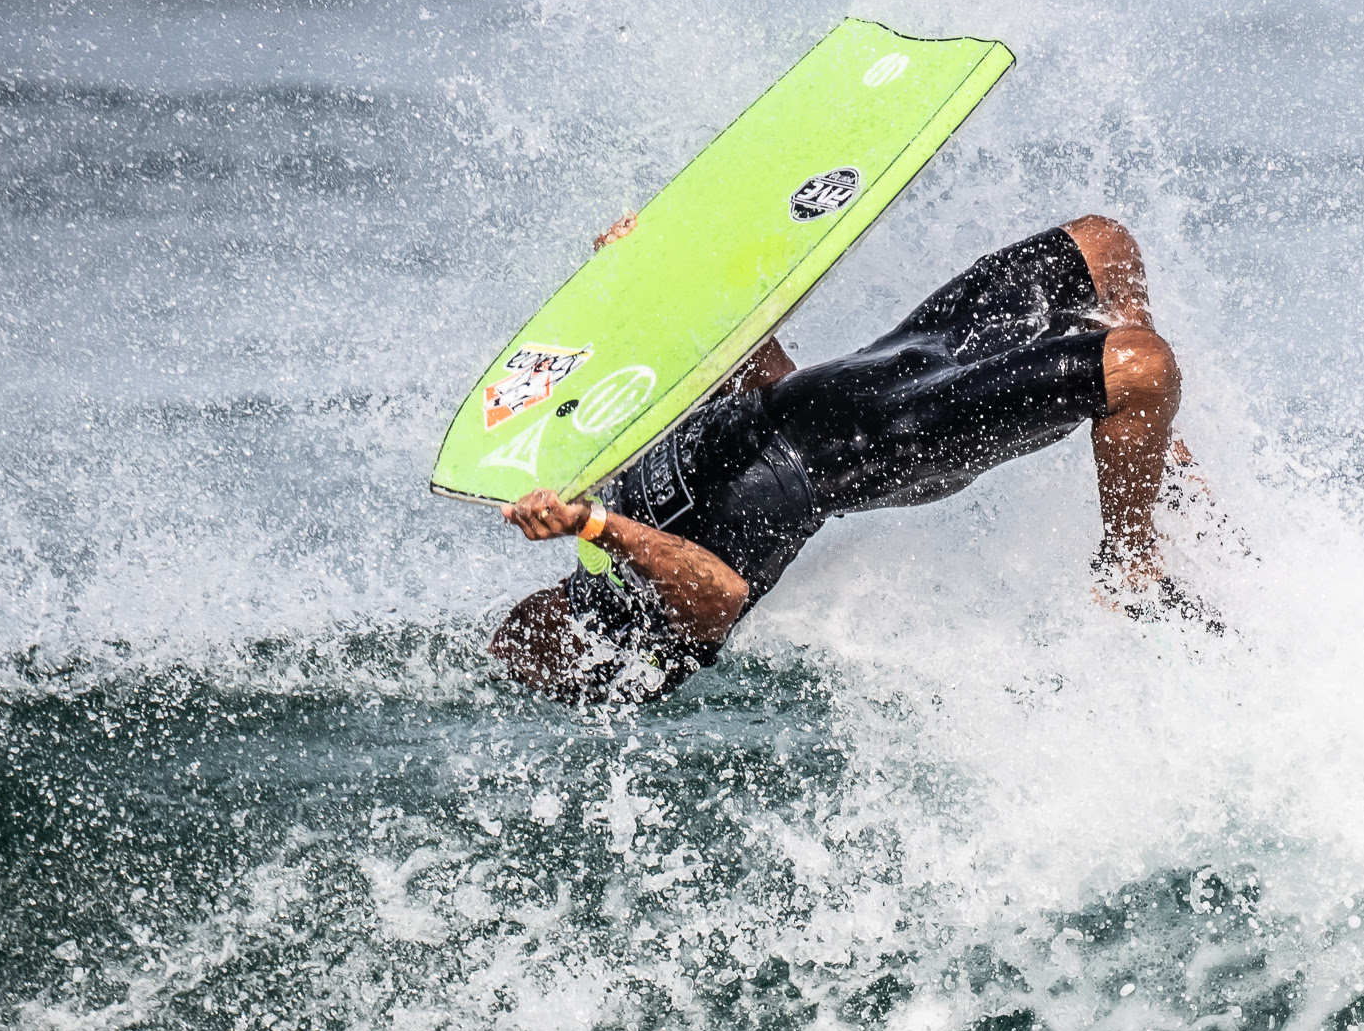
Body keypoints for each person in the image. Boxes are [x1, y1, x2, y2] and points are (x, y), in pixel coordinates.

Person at [488, 213, 1204, 705]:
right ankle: (1130, 562)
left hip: (882, 364)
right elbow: (722, 593)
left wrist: (649, 284)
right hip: (897, 440)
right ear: (584, 670)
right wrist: (591, 523)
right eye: (528, 649)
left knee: (1102, 245)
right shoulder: (661, 631)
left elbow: (762, 379)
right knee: (1141, 367)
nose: (515, 630)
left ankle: (1145, 447)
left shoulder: (602, 540)